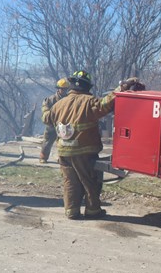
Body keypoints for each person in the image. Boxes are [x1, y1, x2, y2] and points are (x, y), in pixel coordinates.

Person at [42, 70, 123, 220]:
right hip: (84, 151)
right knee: (89, 180)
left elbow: (46, 118)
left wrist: (45, 106)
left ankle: (71, 211)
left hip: (63, 151)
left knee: (70, 181)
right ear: (87, 87)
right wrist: (120, 89)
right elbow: (106, 104)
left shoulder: (59, 104)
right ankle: (93, 210)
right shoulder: (89, 101)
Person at [39, 78, 70, 163]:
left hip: (64, 125)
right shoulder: (50, 100)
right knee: (47, 142)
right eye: (62, 89)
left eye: (65, 89)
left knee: (64, 143)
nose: (63, 91)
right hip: (52, 124)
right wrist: (52, 117)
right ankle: (43, 157)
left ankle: (62, 159)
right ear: (58, 89)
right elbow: (45, 111)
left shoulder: (69, 100)